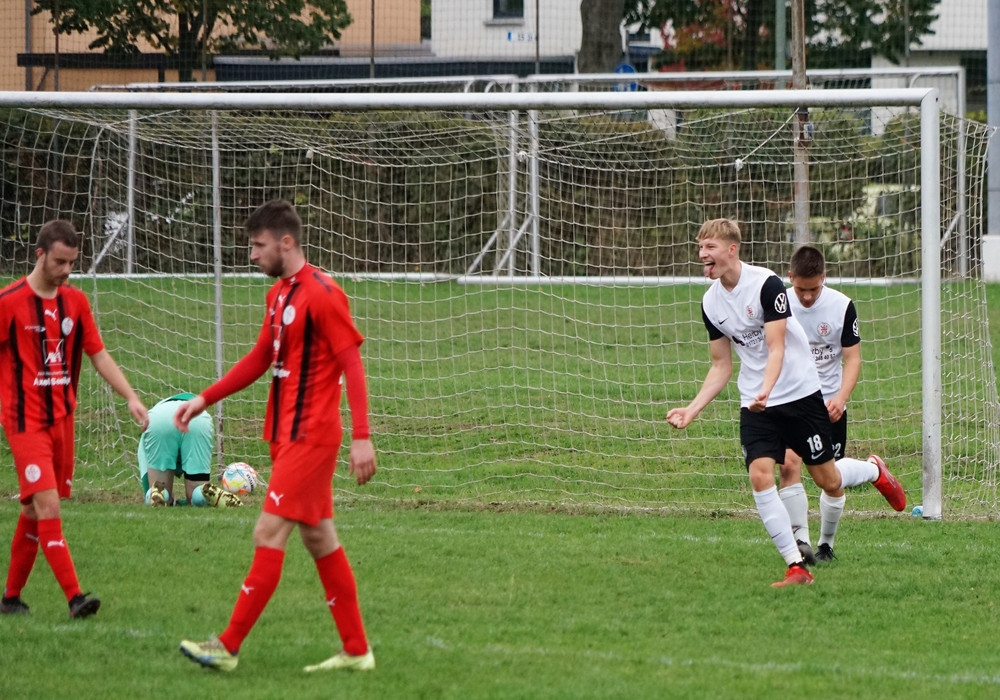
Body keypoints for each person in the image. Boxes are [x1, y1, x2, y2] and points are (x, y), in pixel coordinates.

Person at [175, 199, 378, 672]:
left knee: (267, 531)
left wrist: (362, 437)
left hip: (312, 437)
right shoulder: (278, 295)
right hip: (285, 436)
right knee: (320, 539)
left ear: (286, 243)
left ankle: (227, 646)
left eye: (258, 245)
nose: (252, 254)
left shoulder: (324, 294)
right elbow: (259, 358)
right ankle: (356, 650)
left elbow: (352, 362)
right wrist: (204, 398)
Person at [665, 219, 906, 587]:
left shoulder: (766, 284)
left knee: (828, 479)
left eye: (709, 247)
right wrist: (692, 409)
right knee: (760, 474)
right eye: (700, 248)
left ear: (732, 249)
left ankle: (873, 470)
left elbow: (777, 346)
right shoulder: (710, 302)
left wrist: (768, 387)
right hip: (756, 402)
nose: (702, 254)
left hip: (799, 393)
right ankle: (796, 565)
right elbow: (721, 365)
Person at [0, 219, 149, 618]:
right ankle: (75, 598)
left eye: (72, 263)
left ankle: (10, 598)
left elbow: (98, 353)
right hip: (24, 423)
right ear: (40, 255)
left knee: (33, 510)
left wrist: (131, 397)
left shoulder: (76, 303)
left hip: (62, 421)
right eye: (60, 262)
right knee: (49, 507)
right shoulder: (9, 302)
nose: (67, 270)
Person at [778, 245, 894, 564]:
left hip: (828, 406)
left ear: (824, 277)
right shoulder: (779, 303)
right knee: (788, 465)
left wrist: (840, 399)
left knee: (830, 481)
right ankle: (801, 543)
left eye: (814, 289)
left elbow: (853, 359)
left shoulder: (841, 306)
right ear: (790, 277)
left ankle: (826, 544)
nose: (806, 297)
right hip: (789, 402)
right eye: (801, 289)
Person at [138, 392, 242, 508]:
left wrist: (163, 498)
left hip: (159, 419)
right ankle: (203, 492)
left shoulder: (144, 441)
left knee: (159, 488)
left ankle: (159, 493)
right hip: (197, 418)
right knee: (196, 491)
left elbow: (147, 482)